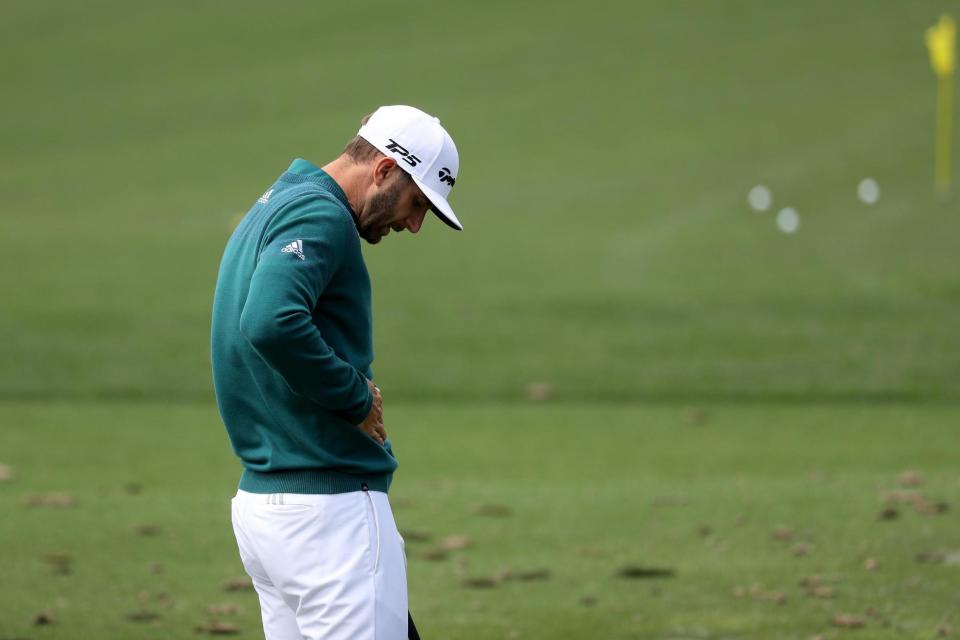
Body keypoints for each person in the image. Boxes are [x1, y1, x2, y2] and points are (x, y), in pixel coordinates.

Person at [210, 105, 461, 640]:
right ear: (385, 169)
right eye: (417, 204)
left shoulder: (277, 202)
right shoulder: (319, 216)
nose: (414, 225)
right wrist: (355, 398)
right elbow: (270, 322)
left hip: (268, 508)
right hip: (329, 515)